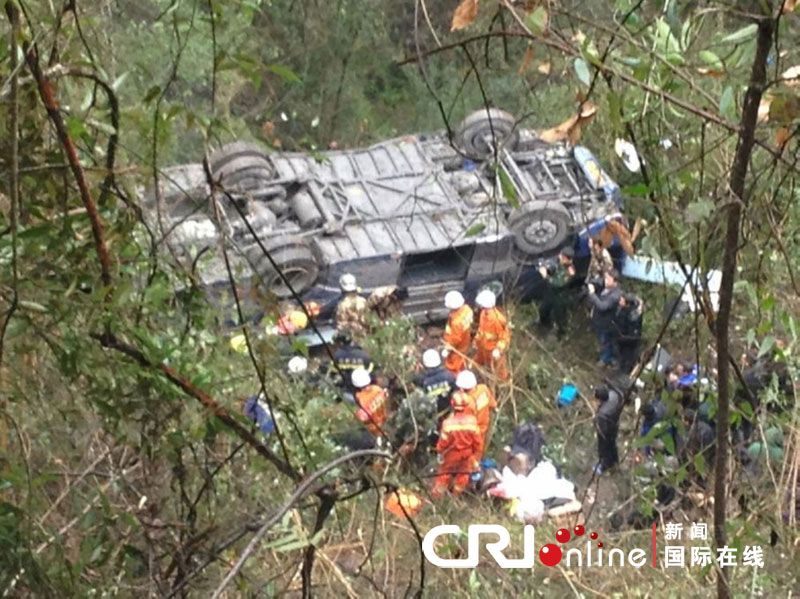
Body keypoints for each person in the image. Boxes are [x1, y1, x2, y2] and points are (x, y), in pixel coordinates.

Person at [432, 392, 482, 499]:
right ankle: (455, 496)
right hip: (467, 454)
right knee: (463, 475)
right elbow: (478, 442)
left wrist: (439, 451)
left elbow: (443, 443)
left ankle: (437, 498)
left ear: (453, 405)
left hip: (451, 454)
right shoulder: (472, 422)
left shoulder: (448, 423)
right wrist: (475, 454)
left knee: (444, 475)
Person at [538, 246, 578, 337]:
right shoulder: (559, 260)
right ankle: (545, 325)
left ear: (569, 260)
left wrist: (545, 276)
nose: (560, 258)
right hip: (550, 293)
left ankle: (562, 333)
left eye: (563, 258)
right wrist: (544, 265)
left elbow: (558, 283)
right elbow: (551, 264)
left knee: (560, 316)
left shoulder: (570, 271)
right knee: (543, 309)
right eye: (561, 256)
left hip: (560, 296)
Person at [587, 270, 623, 367]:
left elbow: (603, 306)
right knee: (601, 339)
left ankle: (606, 359)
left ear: (615, 283)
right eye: (606, 278)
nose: (606, 281)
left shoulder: (615, 295)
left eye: (608, 279)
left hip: (606, 323)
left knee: (606, 341)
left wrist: (592, 294)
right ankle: (605, 355)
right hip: (598, 320)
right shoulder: (605, 287)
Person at [473, 289, 511, 381]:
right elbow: (481, 330)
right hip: (483, 347)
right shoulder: (483, 314)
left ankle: (502, 382)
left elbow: (505, 337)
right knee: (478, 361)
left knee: (500, 369)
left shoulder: (498, 320)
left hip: (493, 350)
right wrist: (476, 340)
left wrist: (498, 349)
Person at [464, 372, 498, 457]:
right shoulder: (483, 389)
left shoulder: (468, 401)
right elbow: (492, 402)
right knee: (479, 447)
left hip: (475, 430)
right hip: (484, 425)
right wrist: (494, 407)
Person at [416, 349, 456, 416]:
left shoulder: (423, 381)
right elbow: (455, 390)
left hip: (431, 413)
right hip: (447, 410)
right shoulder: (449, 376)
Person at [351, 368, 390, 437]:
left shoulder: (359, 398)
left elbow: (361, 418)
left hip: (373, 431)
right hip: (386, 425)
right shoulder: (378, 389)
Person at [441, 290, 473, 374]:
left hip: (458, 348)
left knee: (454, 366)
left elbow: (455, 339)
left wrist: (447, 349)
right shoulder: (467, 309)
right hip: (465, 341)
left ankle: (456, 377)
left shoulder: (456, 322)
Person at [593, 385, 622, 474]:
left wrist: (595, 421)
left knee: (604, 448)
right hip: (615, 425)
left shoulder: (602, 414)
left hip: (607, 430)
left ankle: (604, 466)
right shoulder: (614, 396)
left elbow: (602, 430)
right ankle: (615, 461)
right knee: (613, 445)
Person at [614, 293, 644, 374]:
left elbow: (633, 331)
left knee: (627, 359)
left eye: (622, 300)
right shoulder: (622, 309)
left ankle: (623, 373)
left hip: (629, 341)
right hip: (621, 338)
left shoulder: (633, 315)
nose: (619, 301)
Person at [335, 273, 369, 338]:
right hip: (365, 336)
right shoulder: (363, 301)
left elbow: (342, 327)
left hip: (352, 339)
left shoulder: (342, 305)